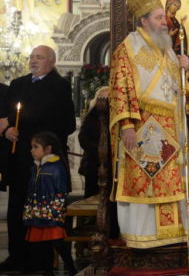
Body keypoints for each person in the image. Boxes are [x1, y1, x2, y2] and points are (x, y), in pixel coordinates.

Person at [109, 0, 189, 248]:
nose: (164, 22)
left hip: (172, 129)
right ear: (144, 20)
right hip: (143, 127)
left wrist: (185, 71)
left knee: (170, 182)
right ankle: (142, 237)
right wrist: (127, 125)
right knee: (145, 180)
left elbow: (179, 91)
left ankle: (172, 238)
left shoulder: (167, 49)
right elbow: (121, 88)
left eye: (163, 17)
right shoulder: (128, 48)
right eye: (158, 18)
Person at [0, 45, 76, 271]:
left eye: (40, 57)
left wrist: (13, 121)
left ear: (51, 62)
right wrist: (7, 130)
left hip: (44, 162)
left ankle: (39, 260)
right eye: (32, 57)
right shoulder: (18, 84)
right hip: (18, 158)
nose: (34, 60)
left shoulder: (59, 85)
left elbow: (51, 115)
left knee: (40, 208)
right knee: (17, 207)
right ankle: (16, 256)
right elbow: (4, 115)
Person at [23, 132, 77, 276]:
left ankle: (72, 269)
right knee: (44, 244)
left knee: (57, 243)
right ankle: (48, 272)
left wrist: (56, 211)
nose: (32, 150)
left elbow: (61, 192)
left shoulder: (56, 168)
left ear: (48, 149)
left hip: (52, 214)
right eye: (32, 147)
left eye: (36, 147)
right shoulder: (36, 167)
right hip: (38, 213)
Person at [78, 86, 109, 198]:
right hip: (92, 162)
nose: (104, 102)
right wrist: (97, 151)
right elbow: (83, 137)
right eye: (101, 99)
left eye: (107, 99)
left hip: (111, 164)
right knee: (91, 195)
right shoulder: (91, 117)